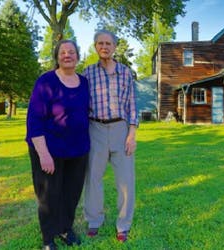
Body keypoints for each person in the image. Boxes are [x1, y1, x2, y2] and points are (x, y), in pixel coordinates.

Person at [26, 39, 90, 250]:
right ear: (57, 57)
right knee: (48, 195)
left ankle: (65, 229)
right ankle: (48, 239)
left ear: (77, 57)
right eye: (62, 52)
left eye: (71, 52)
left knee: (71, 193)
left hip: (77, 148)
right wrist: (43, 153)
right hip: (49, 148)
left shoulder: (84, 82)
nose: (67, 55)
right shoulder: (46, 81)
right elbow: (34, 120)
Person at [82, 29, 138, 243]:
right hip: (95, 129)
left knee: (125, 180)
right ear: (95, 47)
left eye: (108, 43)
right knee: (93, 178)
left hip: (120, 129)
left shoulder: (126, 72)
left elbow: (132, 104)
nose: (104, 47)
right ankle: (94, 220)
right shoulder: (87, 73)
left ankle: (123, 225)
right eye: (99, 43)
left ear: (115, 46)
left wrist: (132, 134)